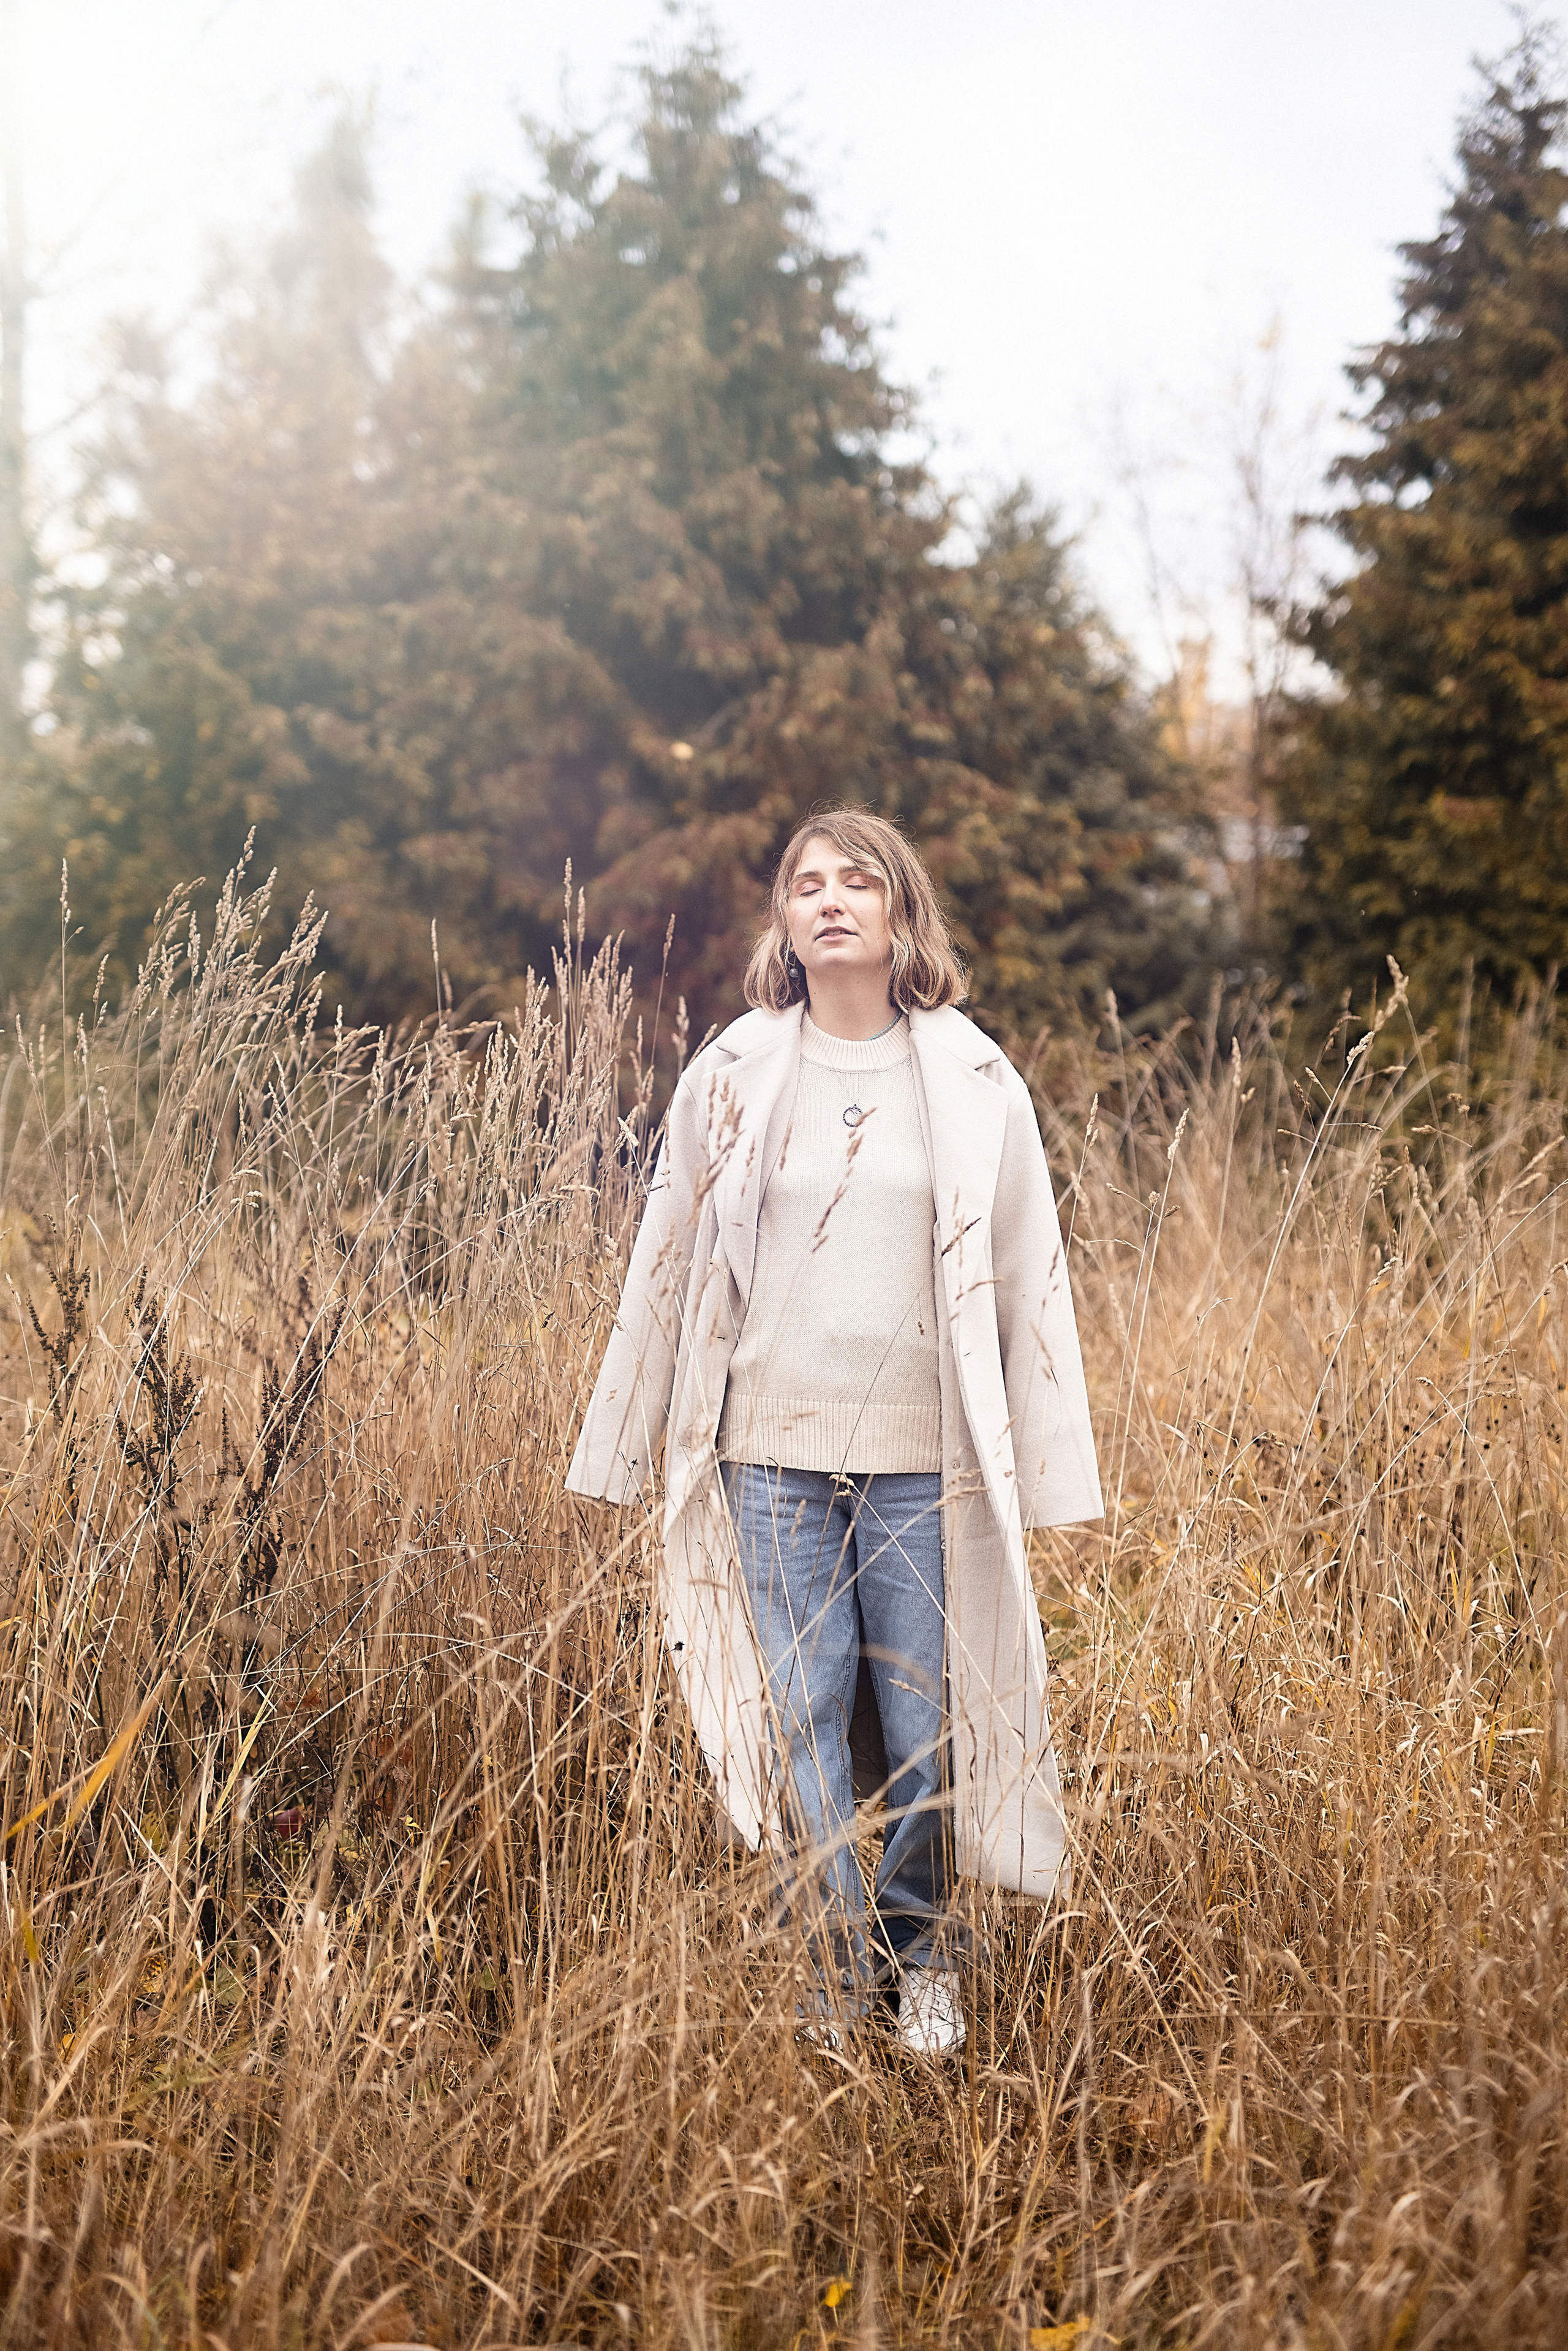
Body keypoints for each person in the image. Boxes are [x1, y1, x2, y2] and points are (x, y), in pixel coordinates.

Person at [567, 809, 1102, 2055]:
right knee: (796, 1714)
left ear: (899, 912)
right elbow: (667, 1256)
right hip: (768, 1451)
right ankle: (831, 1966)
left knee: (922, 1725)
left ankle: (920, 1957)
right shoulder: (733, 1072)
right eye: (803, 883)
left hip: (926, 1457)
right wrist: (619, 1441)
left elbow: (1031, 1273)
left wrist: (1054, 1473)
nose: (828, 899)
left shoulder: (973, 1077)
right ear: (783, 923)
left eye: (856, 880)